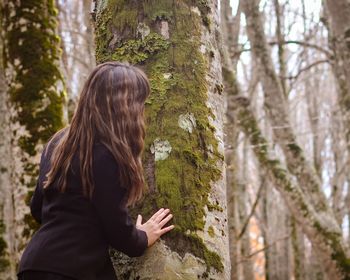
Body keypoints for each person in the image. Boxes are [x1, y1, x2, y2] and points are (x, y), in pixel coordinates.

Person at [17, 62, 174, 280]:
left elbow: (37, 208)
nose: (142, 111)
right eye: (139, 103)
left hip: (35, 264)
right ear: (124, 106)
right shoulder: (108, 155)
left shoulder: (58, 144)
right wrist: (142, 237)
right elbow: (115, 227)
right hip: (69, 271)